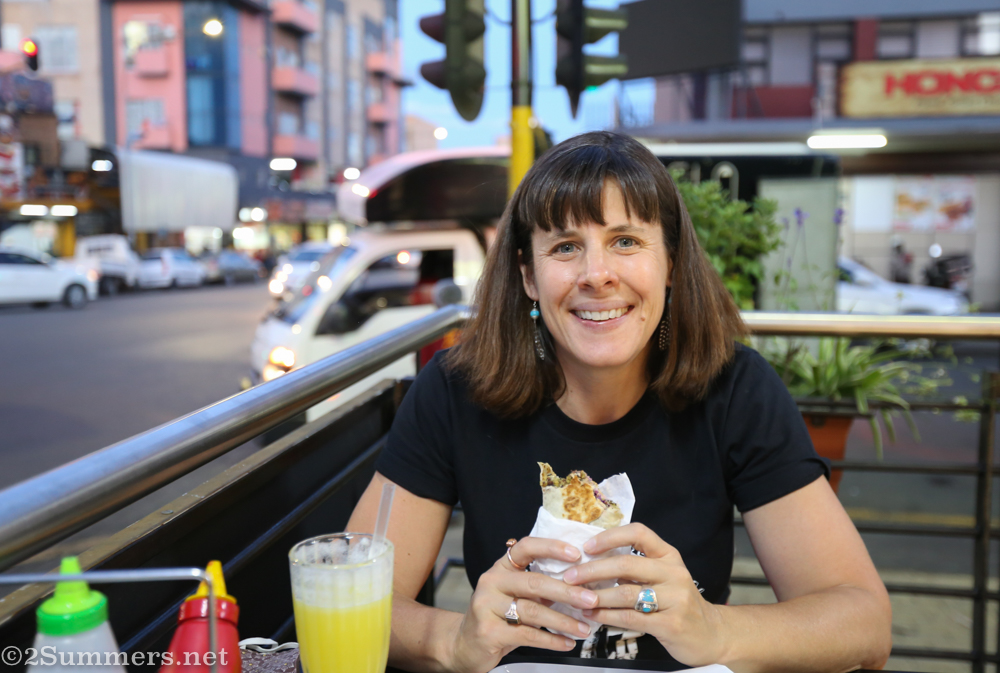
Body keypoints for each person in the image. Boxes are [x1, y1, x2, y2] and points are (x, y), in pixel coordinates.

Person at [347, 131, 891, 672]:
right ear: (528, 275)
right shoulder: (453, 391)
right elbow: (347, 601)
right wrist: (454, 639)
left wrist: (715, 630)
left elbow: (863, 622)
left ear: (671, 263)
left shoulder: (735, 390)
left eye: (626, 241)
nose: (597, 275)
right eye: (565, 247)